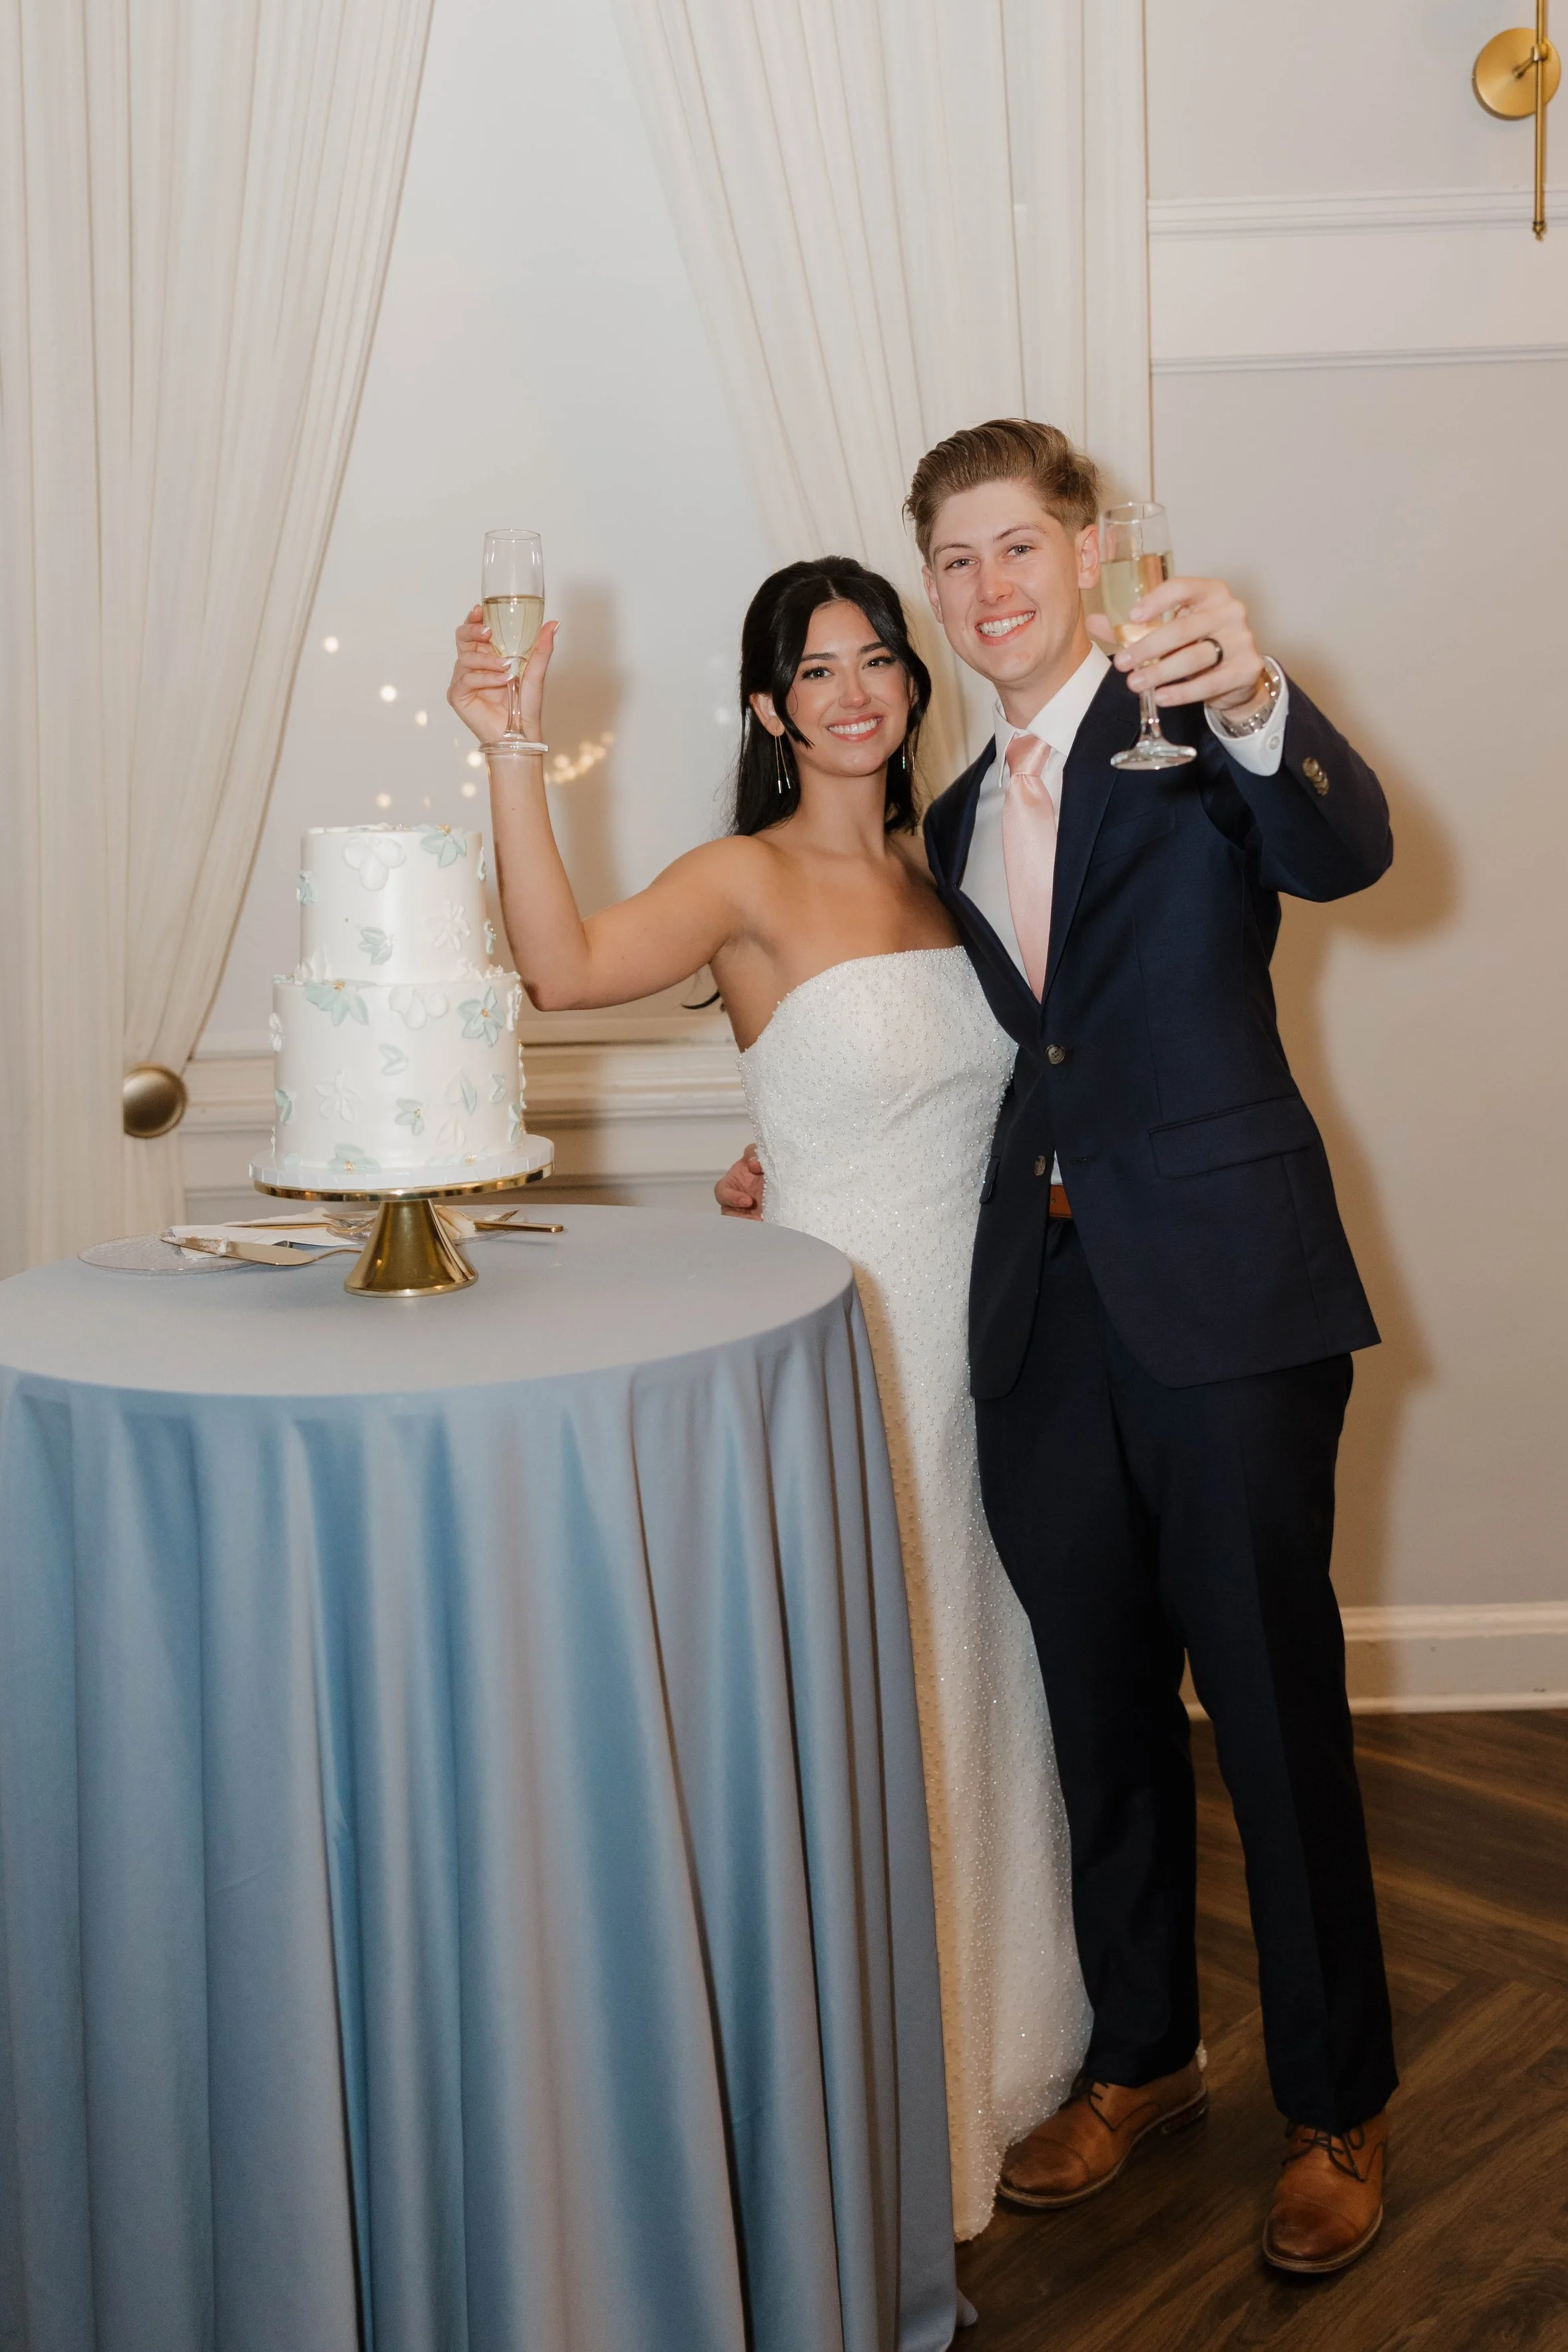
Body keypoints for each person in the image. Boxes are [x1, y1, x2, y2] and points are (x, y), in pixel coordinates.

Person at [719, 420, 1398, 2276]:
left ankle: (1335, 2103)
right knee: (1089, 1701)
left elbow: (1343, 848)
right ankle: (1142, 2050)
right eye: (953, 559)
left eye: (1015, 545)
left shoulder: (1187, 714)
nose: (986, 586)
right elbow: (1005, 1052)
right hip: (1029, 1310)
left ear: (1087, 550)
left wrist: (1259, 687)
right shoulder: (945, 819)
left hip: (1228, 1298)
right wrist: (786, 1123)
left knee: (1266, 1705)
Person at [446, 555, 1089, 2241]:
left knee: (992, 1682)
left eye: (877, 657)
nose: (854, 689)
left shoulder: (951, 859)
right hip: (851, 1351)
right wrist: (509, 748)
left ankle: (1015, 2044)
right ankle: (867, 2099)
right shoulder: (738, 877)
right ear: (767, 708)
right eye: (815, 669)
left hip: (1002, 1349)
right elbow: (564, 968)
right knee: (872, 1705)